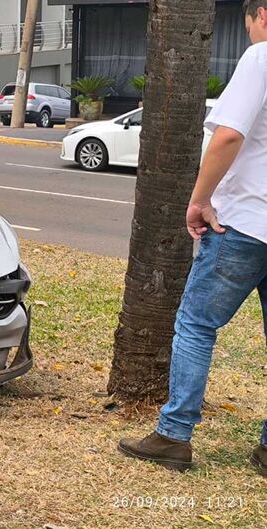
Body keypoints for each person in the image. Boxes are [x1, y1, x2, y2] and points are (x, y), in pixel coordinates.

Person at [118, 0, 267, 476]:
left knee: (197, 324)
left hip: (246, 220)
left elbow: (228, 136)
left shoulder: (262, 57)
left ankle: (174, 434)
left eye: (247, 25)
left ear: (261, 16)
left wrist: (199, 198)